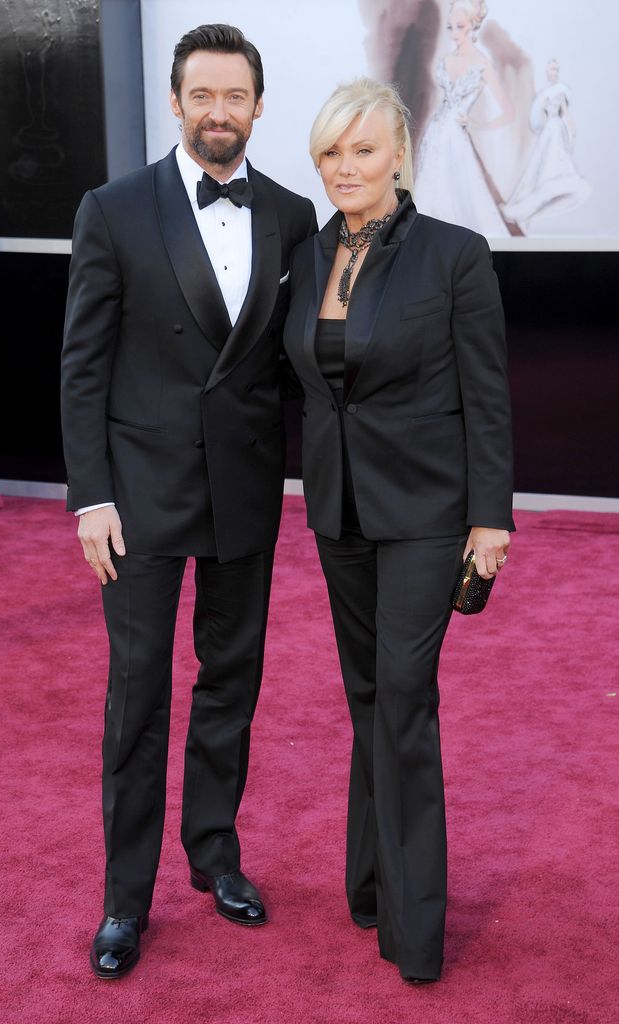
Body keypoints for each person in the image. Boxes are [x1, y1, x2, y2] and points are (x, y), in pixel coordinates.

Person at [61, 23, 316, 979]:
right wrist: (91, 498)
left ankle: (216, 856)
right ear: (175, 102)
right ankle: (125, 900)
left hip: (243, 488)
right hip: (137, 498)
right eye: (201, 96)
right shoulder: (114, 208)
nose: (218, 113)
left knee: (230, 683)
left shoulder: (291, 215)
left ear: (256, 105)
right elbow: (81, 367)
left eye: (235, 97)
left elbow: (293, 367)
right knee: (137, 697)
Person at [283, 77, 514, 983]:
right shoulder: (307, 257)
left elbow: (486, 395)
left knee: (405, 701)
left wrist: (489, 516)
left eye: (362, 150)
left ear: (399, 153)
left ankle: (415, 929)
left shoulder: (455, 255)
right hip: (336, 510)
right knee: (368, 699)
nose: (345, 167)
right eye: (331, 152)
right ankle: (371, 882)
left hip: (426, 513)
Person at [414, 0, 514, 236]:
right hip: (435, 134)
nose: (454, 33)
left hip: (456, 138)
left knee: (460, 195)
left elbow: (508, 111)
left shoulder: (481, 64)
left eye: (460, 26)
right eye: (450, 27)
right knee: (430, 191)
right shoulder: (447, 59)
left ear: (473, 25)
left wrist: (477, 125)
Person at [502, 58, 590, 231]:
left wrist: (570, 129)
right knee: (541, 162)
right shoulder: (543, 94)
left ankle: (554, 185)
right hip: (548, 130)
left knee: (556, 157)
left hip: (556, 128)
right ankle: (537, 197)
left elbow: (565, 114)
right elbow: (538, 118)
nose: (554, 73)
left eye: (556, 69)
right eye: (551, 70)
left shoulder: (560, 92)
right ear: (547, 72)